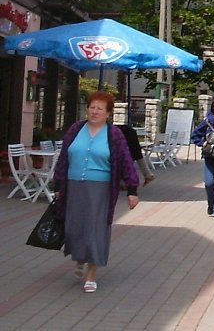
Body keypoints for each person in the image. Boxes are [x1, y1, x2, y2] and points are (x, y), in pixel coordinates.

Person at [52, 91, 140, 294]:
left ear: (108, 113)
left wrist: (132, 190)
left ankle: (91, 274)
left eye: (100, 108)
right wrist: (57, 185)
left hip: (100, 188)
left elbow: (127, 162)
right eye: (92, 107)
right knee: (75, 227)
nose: (94, 111)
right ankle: (80, 258)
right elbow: (64, 157)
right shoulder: (76, 129)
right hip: (73, 185)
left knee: (96, 229)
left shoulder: (114, 134)